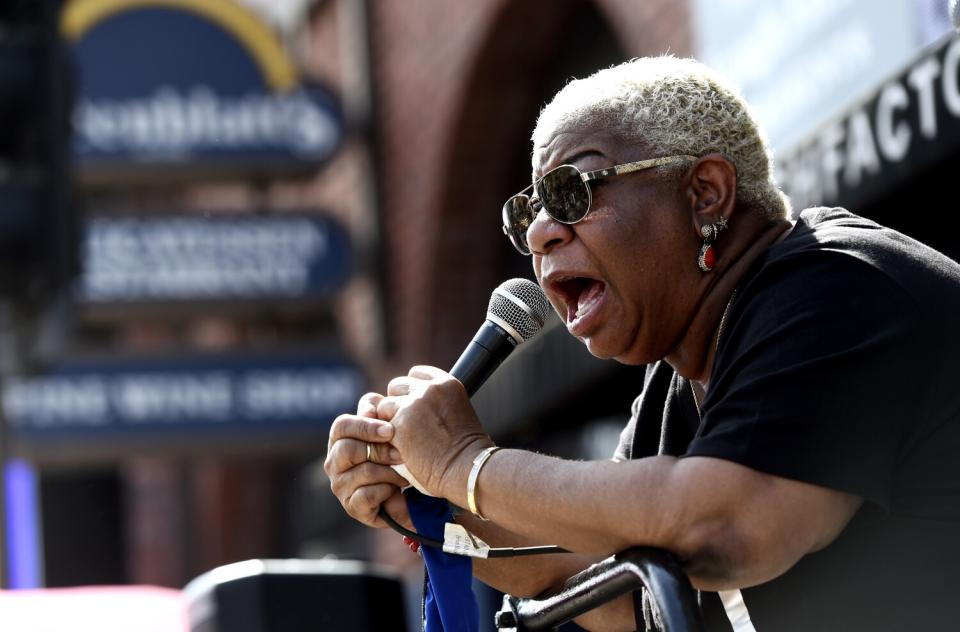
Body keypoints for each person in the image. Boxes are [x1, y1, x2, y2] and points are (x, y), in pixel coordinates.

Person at [324, 56, 960, 631]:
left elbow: (729, 527)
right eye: (529, 213)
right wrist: (427, 507)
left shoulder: (838, 283)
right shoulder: (673, 387)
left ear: (703, 192)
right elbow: (609, 584)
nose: (543, 231)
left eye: (572, 191)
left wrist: (465, 461)